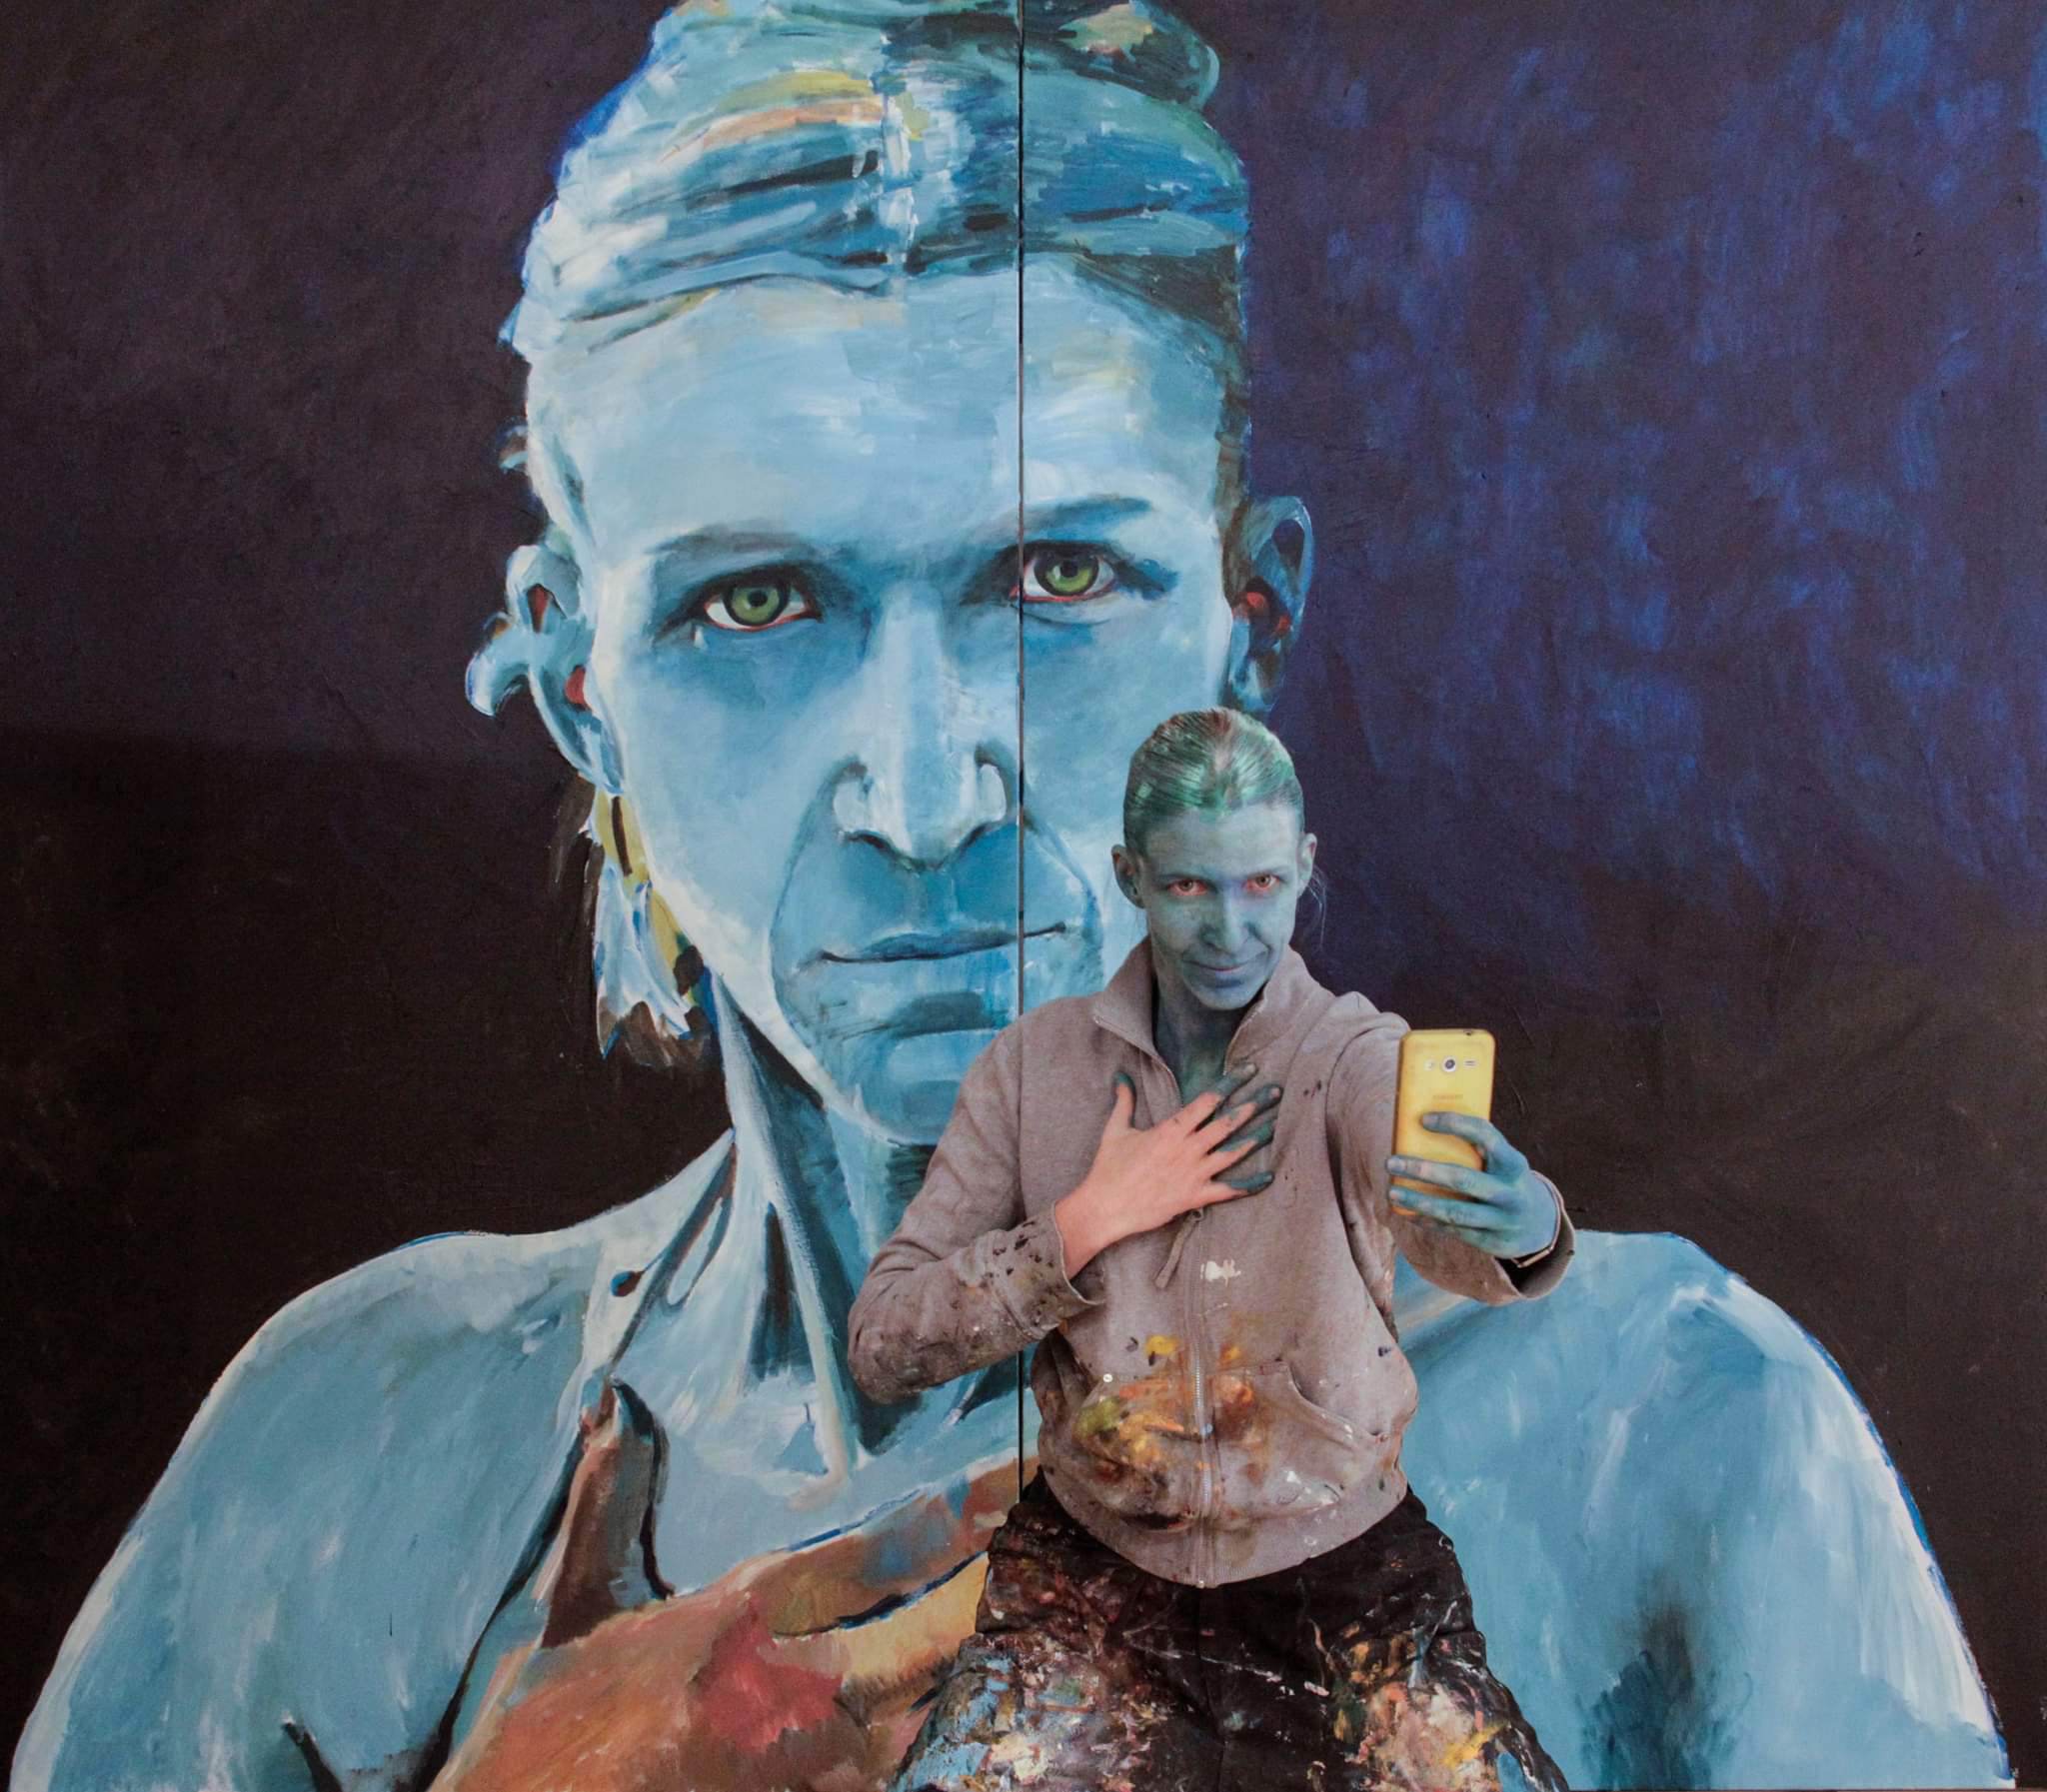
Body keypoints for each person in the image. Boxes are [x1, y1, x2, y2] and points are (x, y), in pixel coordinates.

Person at [14, 2, 2009, 1788]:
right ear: (576, 687)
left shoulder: (1661, 1428)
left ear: (1247, 623)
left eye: (1056, 579)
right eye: (754, 603)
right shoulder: (352, 1455)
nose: (919, 792)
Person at [850, 709, 1572, 1789]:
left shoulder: (1355, 1055)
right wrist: (1084, 1224)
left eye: (1261, 884)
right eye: (1190, 885)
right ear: (1130, 875)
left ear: (1303, 868)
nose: (1231, 928)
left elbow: (1437, 1220)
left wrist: (1521, 1227)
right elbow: (881, 1343)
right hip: (1090, 1580)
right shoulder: (1032, 1070)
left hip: (1344, 1578)